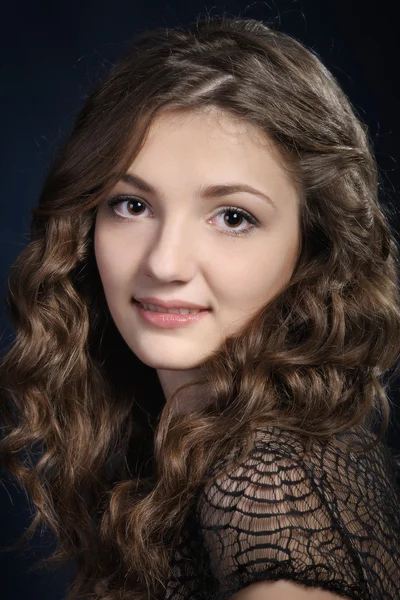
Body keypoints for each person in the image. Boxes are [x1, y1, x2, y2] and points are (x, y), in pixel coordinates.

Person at [1, 13, 400, 600]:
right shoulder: (210, 441)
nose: (164, 263)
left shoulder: (267, 479)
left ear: (312, 245)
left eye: (233, 217)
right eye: (132, 205)